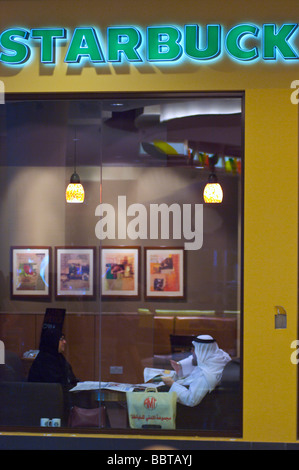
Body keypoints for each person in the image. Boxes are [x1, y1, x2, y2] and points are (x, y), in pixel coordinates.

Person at [161, 334, 231, 407]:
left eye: (193, 350)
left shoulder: (206, 374)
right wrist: (180, 365)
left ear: (200, 351)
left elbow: (191, 400)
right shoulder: (219, 358)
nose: (191, 352)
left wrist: (172, 384)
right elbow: (194, 358)